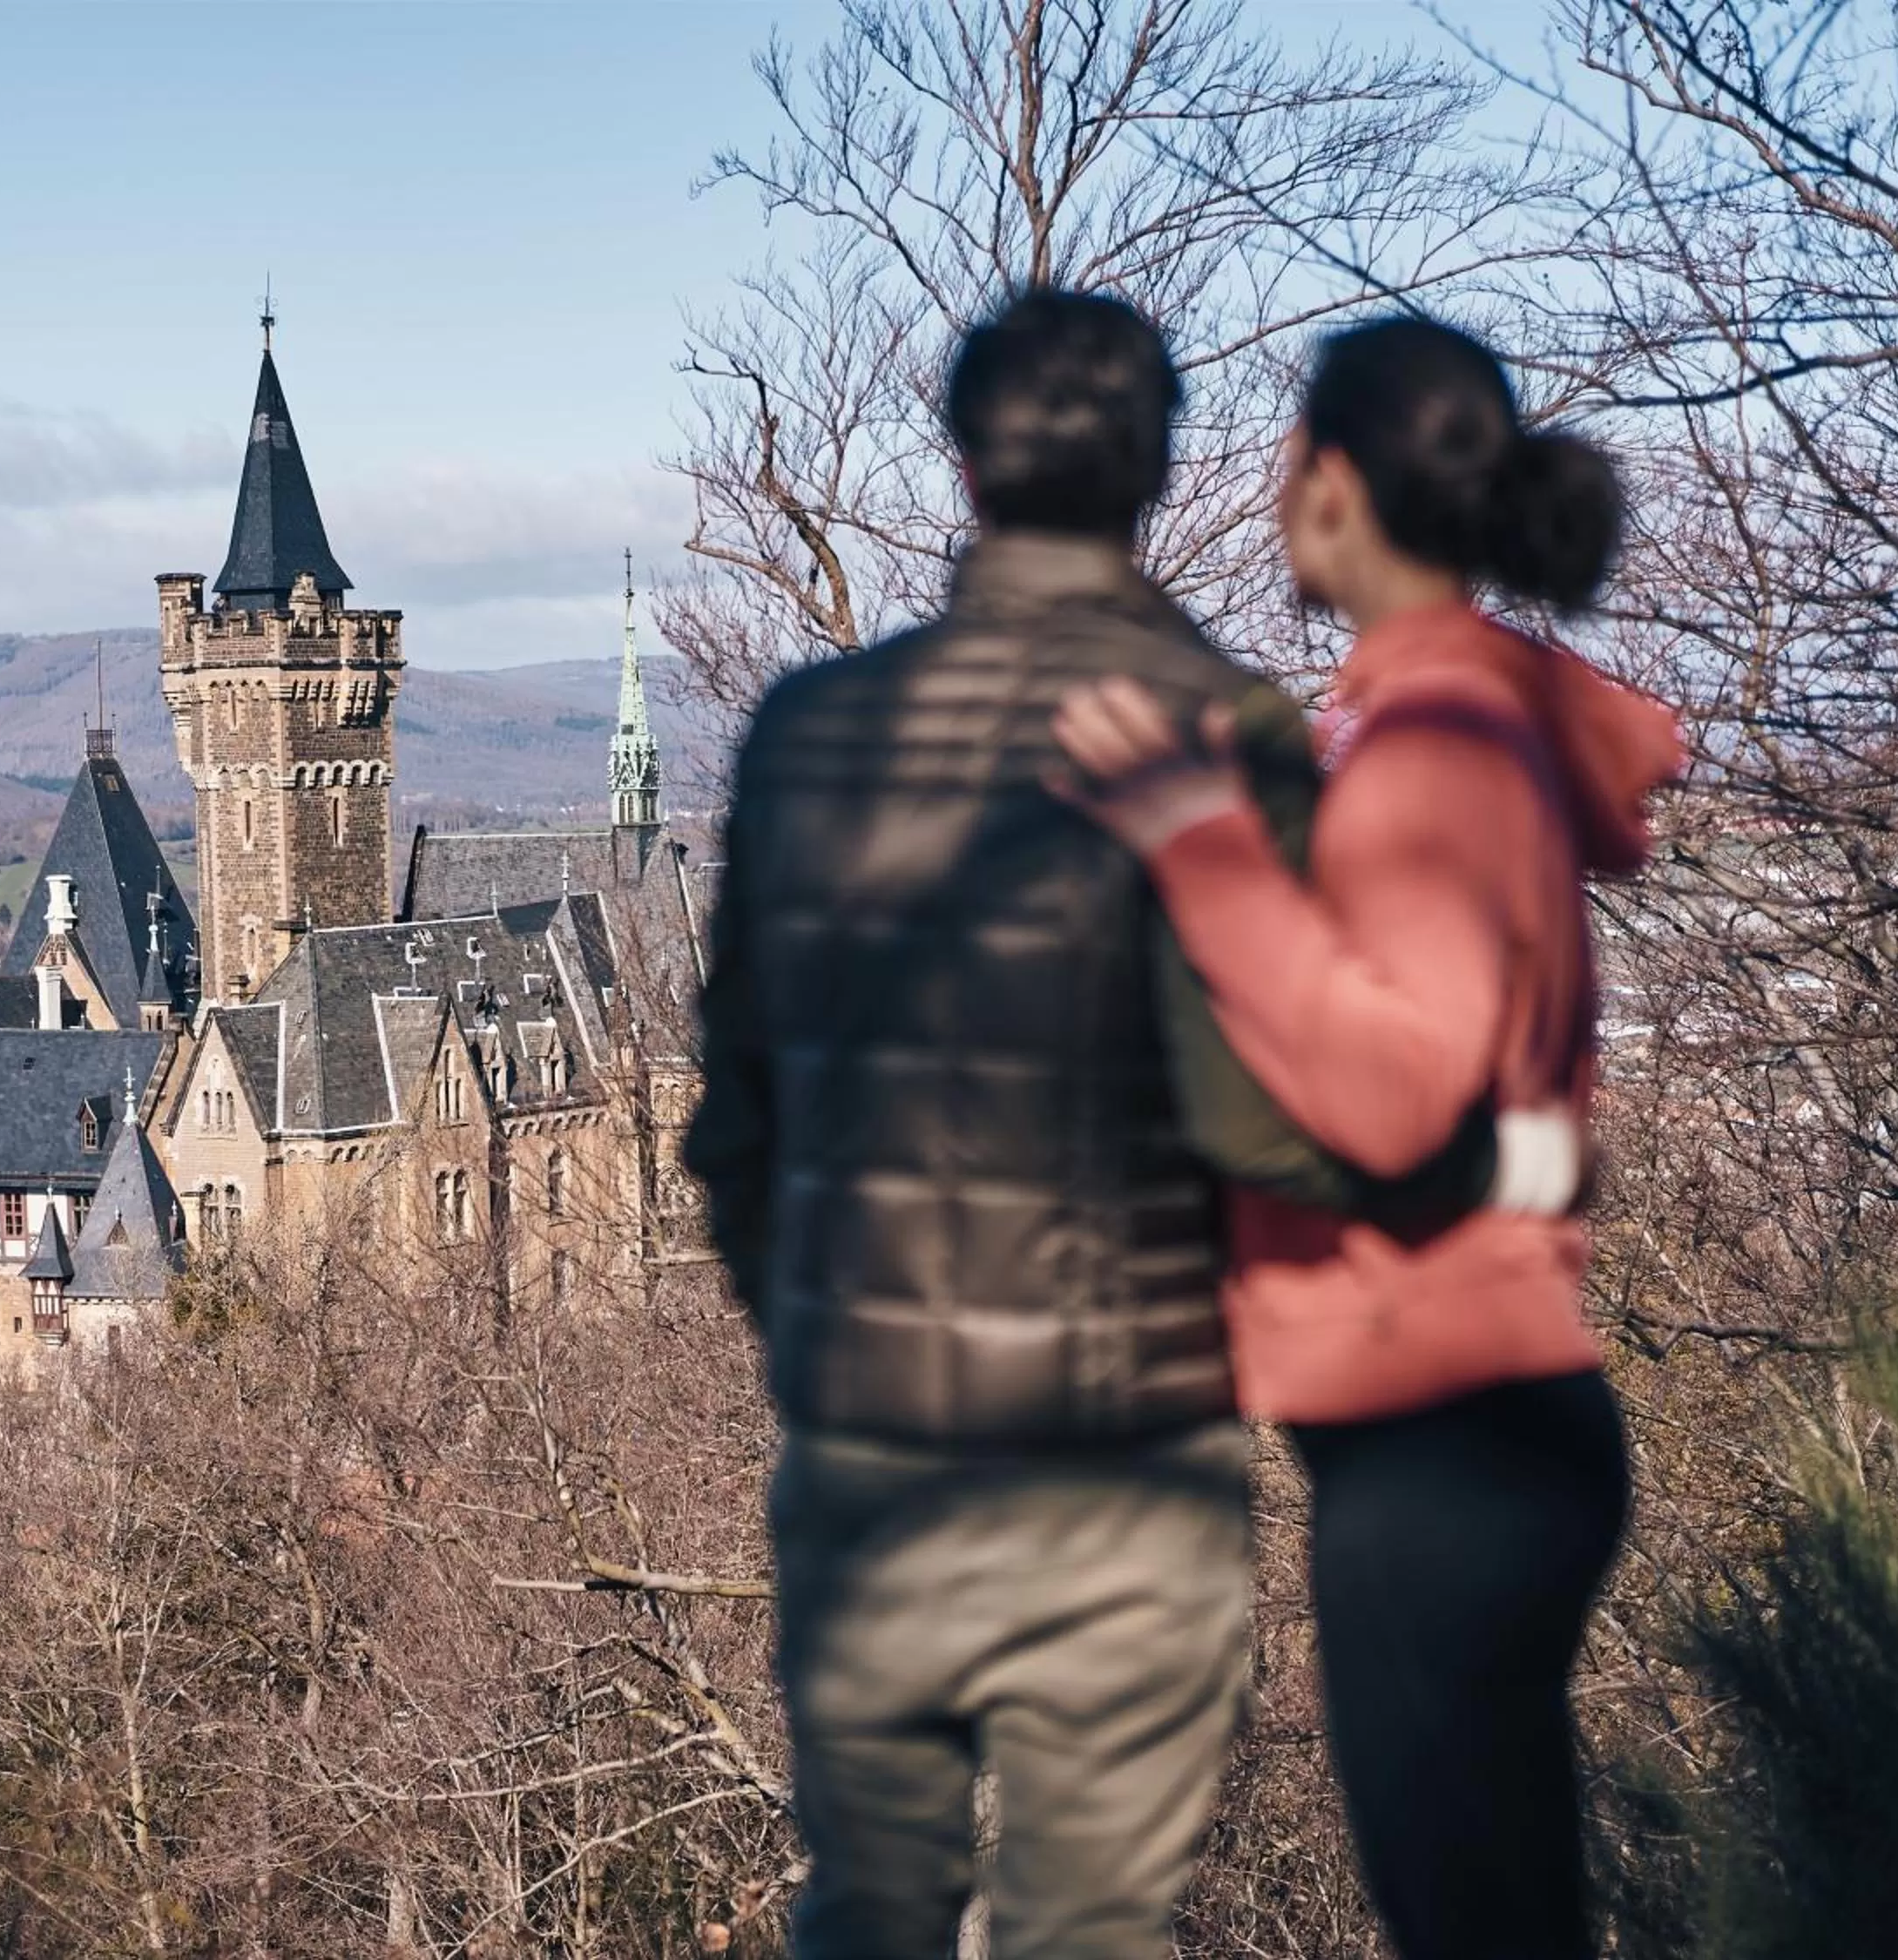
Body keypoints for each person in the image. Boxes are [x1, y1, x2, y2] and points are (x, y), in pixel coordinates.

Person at [684, 288, 1327, 1958]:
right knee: (1092, 1929)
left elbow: (734, 1128)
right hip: (1125, 1459)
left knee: (871, 1907)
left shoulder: (812, 736)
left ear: (964, 468)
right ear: (1160, 469)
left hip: (871, 1453)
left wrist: (822, 1339)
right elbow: (1283, 1125)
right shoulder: (1231, 733)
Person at [1050, 314, 1685, 1960]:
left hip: (1440, 1437)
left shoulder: (1431, 753)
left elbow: (1396, 1091)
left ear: (1331, 481)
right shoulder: (1458, 717)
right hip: (1478, 1427)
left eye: (1285, 462)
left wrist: (1202, 844)